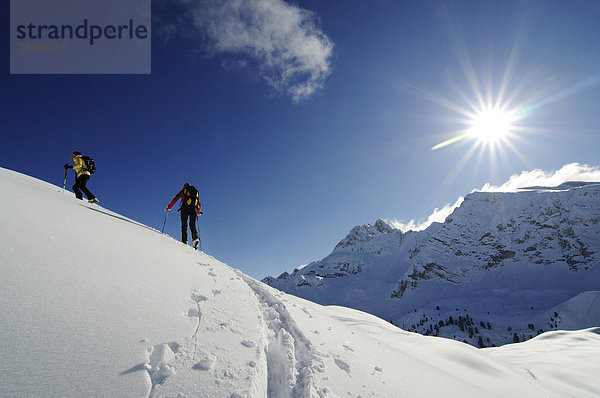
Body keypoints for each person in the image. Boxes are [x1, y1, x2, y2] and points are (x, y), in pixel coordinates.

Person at [166, 183, 202, 248]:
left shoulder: (183, 191)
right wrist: (198, 212)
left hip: (185, 208)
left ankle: (184, 241)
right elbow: (199, 204)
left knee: (184, 225)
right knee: (192, 225)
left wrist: (169, 207)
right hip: (194, 209)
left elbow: (175, 198)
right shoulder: (195, 192)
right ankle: (195, 238)